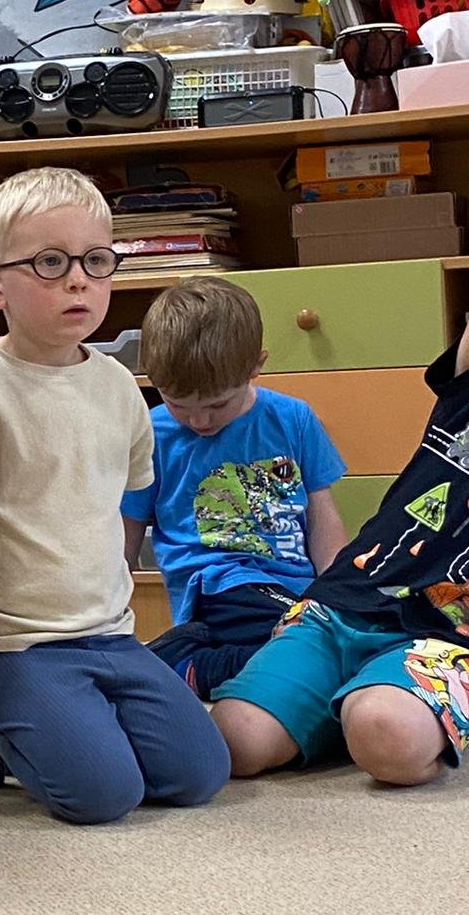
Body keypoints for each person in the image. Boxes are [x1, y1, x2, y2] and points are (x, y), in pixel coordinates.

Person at [0, 167, 229, 824]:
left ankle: (70, 718)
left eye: (95, 261)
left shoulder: (121, 386)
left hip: (111, 635)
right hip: (14, 643)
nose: (78, 280)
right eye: (50, 262)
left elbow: (121, 505)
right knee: (103, 795)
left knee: (199, 774)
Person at [212, 313, 469, 785]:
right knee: (235, 741)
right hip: (344, 602)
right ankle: (349, 703)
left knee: (385, 734)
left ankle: (379, 705)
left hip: (445, 636)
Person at [121, 277, 348, 698]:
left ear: (255, 366)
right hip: (217, 585)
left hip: (291, 592)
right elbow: (126, 534)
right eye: (177, 404)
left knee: (332, 644)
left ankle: (181, 663)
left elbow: (323, 521)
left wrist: (339, 595)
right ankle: (182, 666)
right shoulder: (151, 434)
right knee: (308, 652)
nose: (199, 421)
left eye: (216, 405)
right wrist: (106, 617)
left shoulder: (293, 419)